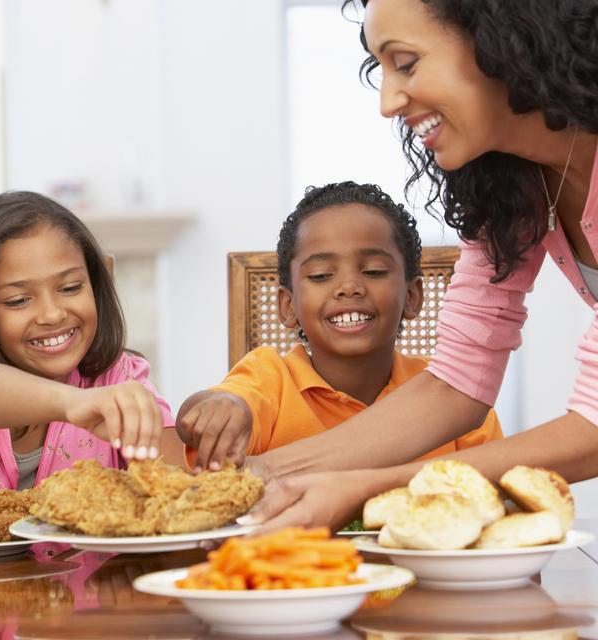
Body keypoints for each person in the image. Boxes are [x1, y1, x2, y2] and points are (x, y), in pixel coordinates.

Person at [236, 0, 598, 532]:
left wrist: (367, 485)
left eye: (405, 63)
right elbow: (456, 384)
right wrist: (257, 477)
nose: (387, 101)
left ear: (505, 39)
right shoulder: (517, 187)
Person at [176, 181, 502, 472]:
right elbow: (212, 408)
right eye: (320, 275)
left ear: (413, 296)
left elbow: (494, 490)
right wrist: (219, 408)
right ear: (288, 306)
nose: (349, 287)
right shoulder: (268, 378)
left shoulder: (453, 394)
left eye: (373, 271)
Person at [0, 191, 184, 500]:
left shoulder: (115, 377)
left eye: (70, 287)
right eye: (18, 300)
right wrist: (71, 403)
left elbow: (180, 490)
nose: (52, 314)